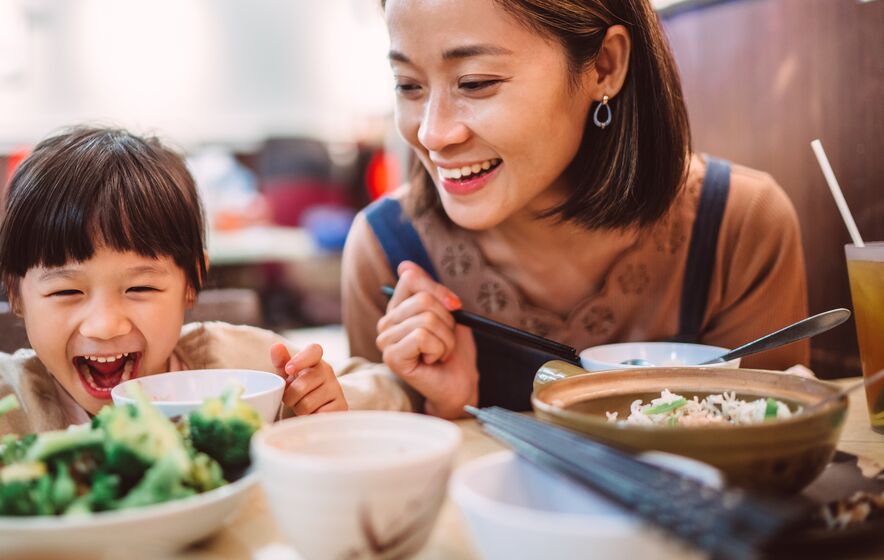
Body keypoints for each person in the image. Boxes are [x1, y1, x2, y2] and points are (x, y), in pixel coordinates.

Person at [0, 127, 413, 493]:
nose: (104, 324)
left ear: (190, 286)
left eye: (142, 289)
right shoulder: (4, 402)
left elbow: (385, 391)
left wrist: (329, 408)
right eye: (67, 292)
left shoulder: (242, 369)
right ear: (17, 295)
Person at [341, 0, 808, 419]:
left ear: (604, 66)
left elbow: (774, 446)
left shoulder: (739, 225)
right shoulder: (386, 251)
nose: (432, 134)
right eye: (408, 86)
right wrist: (442, 410)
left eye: (475, 83)